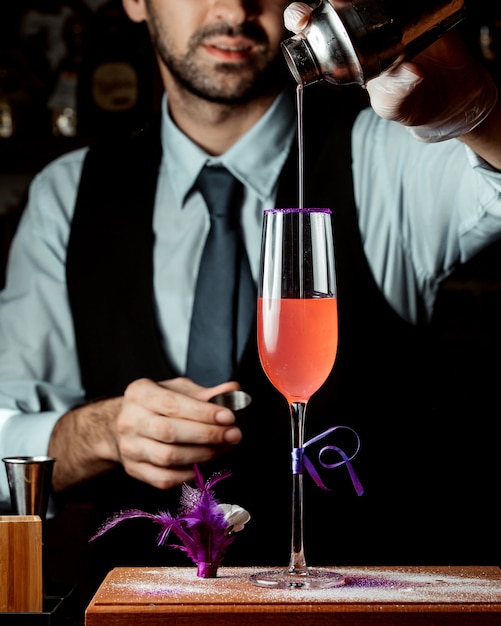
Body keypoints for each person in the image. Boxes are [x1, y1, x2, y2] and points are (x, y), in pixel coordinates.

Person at [1, 0, 501, 606]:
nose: (235, 8)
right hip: (140, 619)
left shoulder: (395, 146)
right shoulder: (67, 196)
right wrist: (97, 431)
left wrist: (479, 109)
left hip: (358, 618)